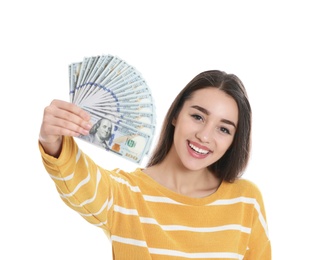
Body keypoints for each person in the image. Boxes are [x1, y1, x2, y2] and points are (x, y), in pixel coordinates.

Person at [38, 70, 271, 259]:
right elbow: (80, 182)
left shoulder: (246, 201)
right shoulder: (125, 195)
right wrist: (52, 140)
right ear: (175, 115)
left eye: (224, 129)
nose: (205, 136)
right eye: (198, 116)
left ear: (233, 141)